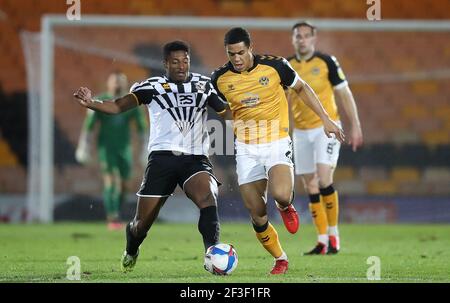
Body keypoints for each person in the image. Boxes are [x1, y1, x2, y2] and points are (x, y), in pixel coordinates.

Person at [73, 40, 227, 273]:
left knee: (208, 198)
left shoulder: (204, 85)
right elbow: (117, 106)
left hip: (195, 158)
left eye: (185, 61)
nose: (181, 66)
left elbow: (226, 110)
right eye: (175, 62)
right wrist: (91, 103)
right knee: (141, 225)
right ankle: (131, 248)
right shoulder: (151, 86)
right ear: (165, 63)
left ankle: (213, 254)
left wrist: (252, 108)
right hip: (162, 160)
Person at [211, 27, 345, 274]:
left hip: (276, 142)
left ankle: (285, 207)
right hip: (246, 149)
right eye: (232, 54)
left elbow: (302, 88)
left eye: (241, 52)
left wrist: (325, 118)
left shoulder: (276, 66)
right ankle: (280, 258)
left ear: (250, 48)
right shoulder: (219, 78)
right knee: (257, 213)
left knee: (281, 195)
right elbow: (222, 110)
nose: (237, 59)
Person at [288, 21, 363, 255]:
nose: (301, 39)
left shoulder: (327, 62)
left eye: (305, 36)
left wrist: (355, 125)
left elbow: (344, 93)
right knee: (309, 184)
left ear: (313, 38)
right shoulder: (287, 66)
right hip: (300, 131)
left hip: (326, 128)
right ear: (293, 39)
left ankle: (334, 235)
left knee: (323, 179)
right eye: (297, 36)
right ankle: (321, 241)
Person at [75, 72, 148, 230]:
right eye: (115, 82)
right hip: (107, 148)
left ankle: (116, 212)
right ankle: (112, 217)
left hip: (125, 149)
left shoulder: (130, 103)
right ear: (109, 84)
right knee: (111, 180)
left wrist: (145, 150)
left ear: (125, 84)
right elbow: (89, 126)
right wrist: (84, 147)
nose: (117, 85)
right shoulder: (100, 101)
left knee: (125, 185)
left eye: (120, 82)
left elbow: (142, 129)